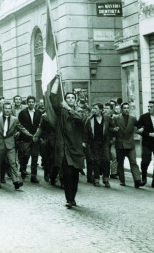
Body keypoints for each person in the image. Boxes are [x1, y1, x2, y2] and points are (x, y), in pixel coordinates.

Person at [50, 74, 85, 208]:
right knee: (67, 175)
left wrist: (69, 108)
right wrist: (57, 81)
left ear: (75, 100)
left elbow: (82, 120)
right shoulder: (61, 112)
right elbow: (53, 98)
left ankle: (73, 197)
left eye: (72, 98)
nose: (70, 99)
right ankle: (68, 199)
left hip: (76, 149)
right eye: (68, 98)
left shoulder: (80, 111)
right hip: (64, 149)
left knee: (75, 176)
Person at [0, 102, 31, 189]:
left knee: (12, 162)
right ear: (2, 109)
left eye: (9, 108)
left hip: (10, 143)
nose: (7, 110)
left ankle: (16, 181)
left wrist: (31, 135)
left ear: (11, 109)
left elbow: (22, 128)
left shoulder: (15, 119)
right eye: (5, 108)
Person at [83, 103, 115, 188]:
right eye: (93, 108)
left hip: (104, 142)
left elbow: (112, 128)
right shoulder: (89, 119)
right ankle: (96, 179)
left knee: (107, 160)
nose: (94, 110)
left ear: (101, 110)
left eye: (96, 108)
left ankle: (106, 179)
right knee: (96, 160)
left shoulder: (107, 119)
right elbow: (86, 131)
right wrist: (84, 142)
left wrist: (113, 131)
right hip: (94, 142)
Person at [112, 102, 142, 188]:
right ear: (121, 109)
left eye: (127, 108)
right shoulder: (116, 118)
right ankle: (122, 180)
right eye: (124, 108)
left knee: (133, 162)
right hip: (120, 144)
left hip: (130, 144)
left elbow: (139, 126)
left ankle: (137, 180)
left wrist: (142, 129)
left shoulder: (133, 118)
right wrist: (114, 130)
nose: (126, 110)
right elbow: (111, 127)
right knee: (120, 163)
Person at [18, 95, 42, 183]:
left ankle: (33, 176)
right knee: (25, 155)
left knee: (35, 157)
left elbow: (40, 125)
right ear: (27, 103)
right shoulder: (22, 113)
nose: (31, 104)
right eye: (29, 102)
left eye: (32, 102)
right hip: (26, 138)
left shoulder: (39, 113)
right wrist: (28, 134)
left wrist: (37, 135)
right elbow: (20, 125)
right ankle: (23, 170)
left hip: (35, 138)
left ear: (34, 103)